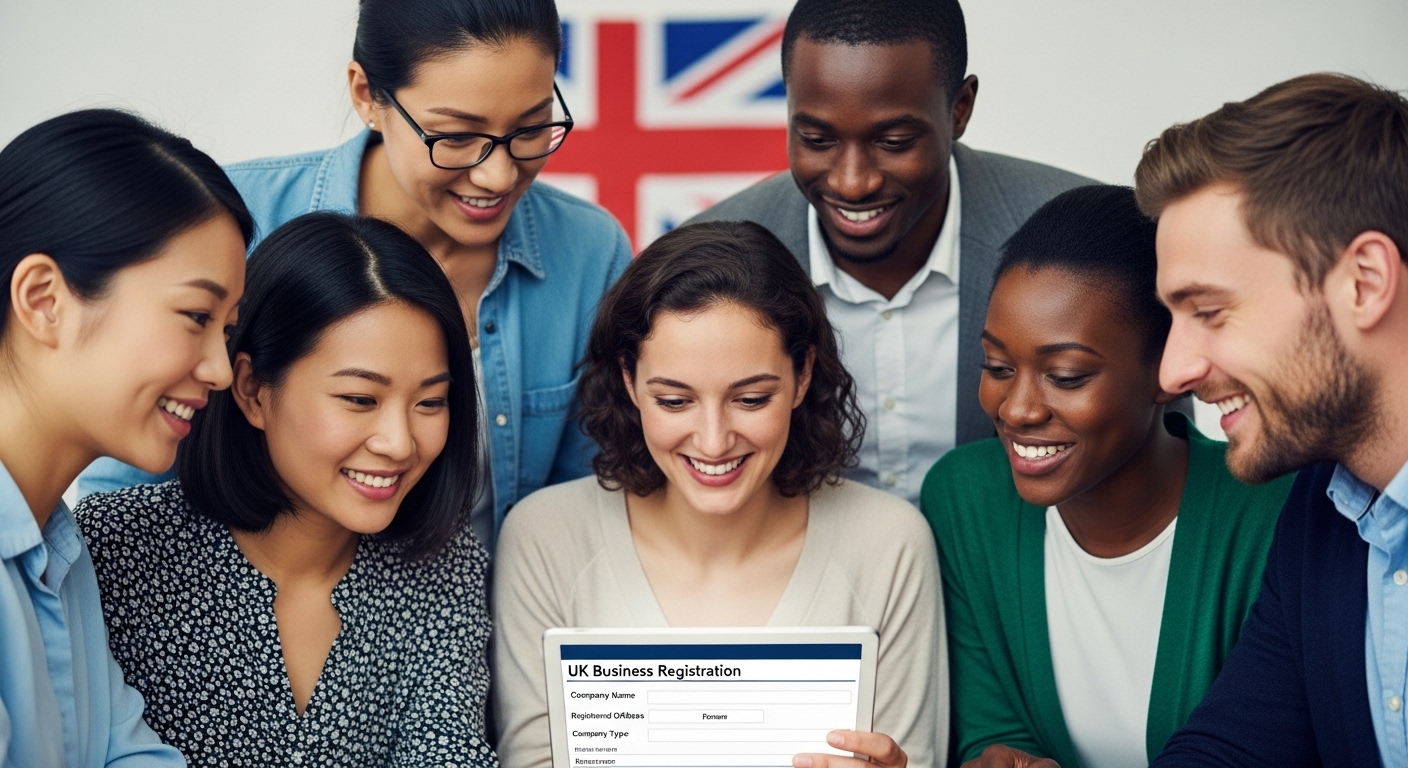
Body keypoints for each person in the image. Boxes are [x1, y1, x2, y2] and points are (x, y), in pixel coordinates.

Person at [79, 0, 632, 549]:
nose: (497, 174)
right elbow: (123, 486)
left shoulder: (588, 252)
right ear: (367, 94)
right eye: (457, 137)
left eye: (531, 127)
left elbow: (580, 515)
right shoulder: (230, 224)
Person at [492, 221, 945, 768]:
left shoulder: (888, 544)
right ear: (630, 381)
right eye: (675, 401)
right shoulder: (546, 538)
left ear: (803, 375)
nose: (712, 441)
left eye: (751, 398)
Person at [75, 212, 495, 767]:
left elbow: (449, 753)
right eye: (360, 400)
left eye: (430, 403)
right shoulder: (114, 547)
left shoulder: (443, 562)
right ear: (251, 389)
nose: (399, 443)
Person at [921, 185, 1293, 768]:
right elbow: (990, 729)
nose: (1016, 408)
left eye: (1066, 376)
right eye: (997, 366)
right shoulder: (964, 501)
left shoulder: (1274, 517)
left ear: (1168, 369)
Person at [687, 0, 1091, 505]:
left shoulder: (1081, 241)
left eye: (894, 141)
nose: (852, 182)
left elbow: (1153, 456)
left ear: (959, 108)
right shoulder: (706, 261)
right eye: (816, 138)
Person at [1132, 74, 1408, 767]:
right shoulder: (1323, 511)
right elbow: (1229, 751)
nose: (1171, 374)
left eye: (1210, 312)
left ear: (1365, 282)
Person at [0, 108, 251, 766]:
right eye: (195, 316)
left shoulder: (60, 549)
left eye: (225, 331)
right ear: (44, 298)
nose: (221, 371)